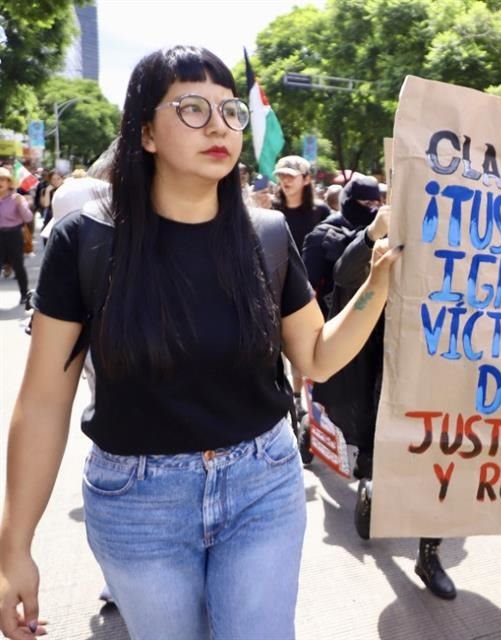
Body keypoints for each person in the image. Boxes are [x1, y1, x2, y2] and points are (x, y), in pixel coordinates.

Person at [0, 45, 400, 640]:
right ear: (147, 134)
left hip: (262, 483)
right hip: (137, 501)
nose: (219, 125)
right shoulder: (85, 242)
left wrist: (380, 280)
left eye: (230, 110)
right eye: (191, 108)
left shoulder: (264, 235)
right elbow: (42, 405)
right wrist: (15, 550)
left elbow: (316, 355)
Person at [302, 175, 457, 600]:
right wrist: (374, 234)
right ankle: (370, 485)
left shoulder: (443, 236)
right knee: (375, 443)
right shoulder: (347, 234)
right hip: (370, 367)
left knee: (441, 461)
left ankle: (429, 554)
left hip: (430, 364)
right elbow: (342, 273)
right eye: (366, 205)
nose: (372, 208)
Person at [272, 155, 331, 410]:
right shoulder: (271, 213)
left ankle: (315, 404)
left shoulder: (322, 212)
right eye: (281, 175)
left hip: (314, 290)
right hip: (278, 288)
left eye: (291, 175)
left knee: (312, 347)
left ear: (306, 180)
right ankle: (295, 401)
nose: (285, 181)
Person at [0, 167, 33, 308]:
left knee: (18, 266)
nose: (0, 182)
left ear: (9, 182)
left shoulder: (16, 198)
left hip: (14, 234)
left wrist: (21, 205)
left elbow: (28, 217)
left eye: (2, 179)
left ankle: (25, 294)